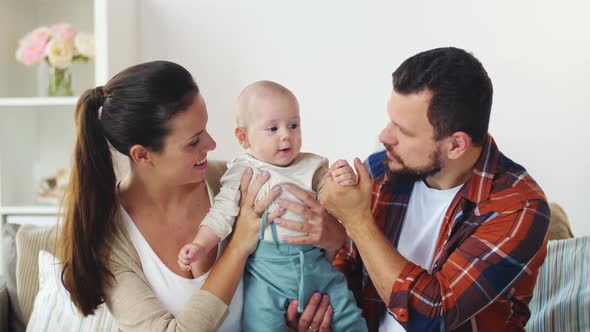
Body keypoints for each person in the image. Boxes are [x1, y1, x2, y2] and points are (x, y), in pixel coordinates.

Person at [58, 61, 342, 332]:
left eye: (205, 129)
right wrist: (238, 245)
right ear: (143, 155)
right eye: (194, 141)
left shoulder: (236, 181)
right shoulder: (110, 239)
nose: (212, 143)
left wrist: (330, 239)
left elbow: (310, 258)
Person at [320, 47, 551, 331]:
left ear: (455, 145)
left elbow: (433, 317)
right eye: (390, 120)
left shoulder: (518, 206)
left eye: (403, 130)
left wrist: (357, 221)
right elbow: (353, 266)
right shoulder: (383, 170)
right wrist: (321, 306)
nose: (384, 136)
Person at [178, 80, 367, 332]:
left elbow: (334, 198)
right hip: (265, 272)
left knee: (348, 316)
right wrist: (200, 245)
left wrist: (343, 179)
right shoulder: (242, 171)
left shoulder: (313, 165)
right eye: (272, 128)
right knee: (260, 323)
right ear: (243, 137)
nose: (286, 135)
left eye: (293, 125)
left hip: (315, 264)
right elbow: (221, 213)